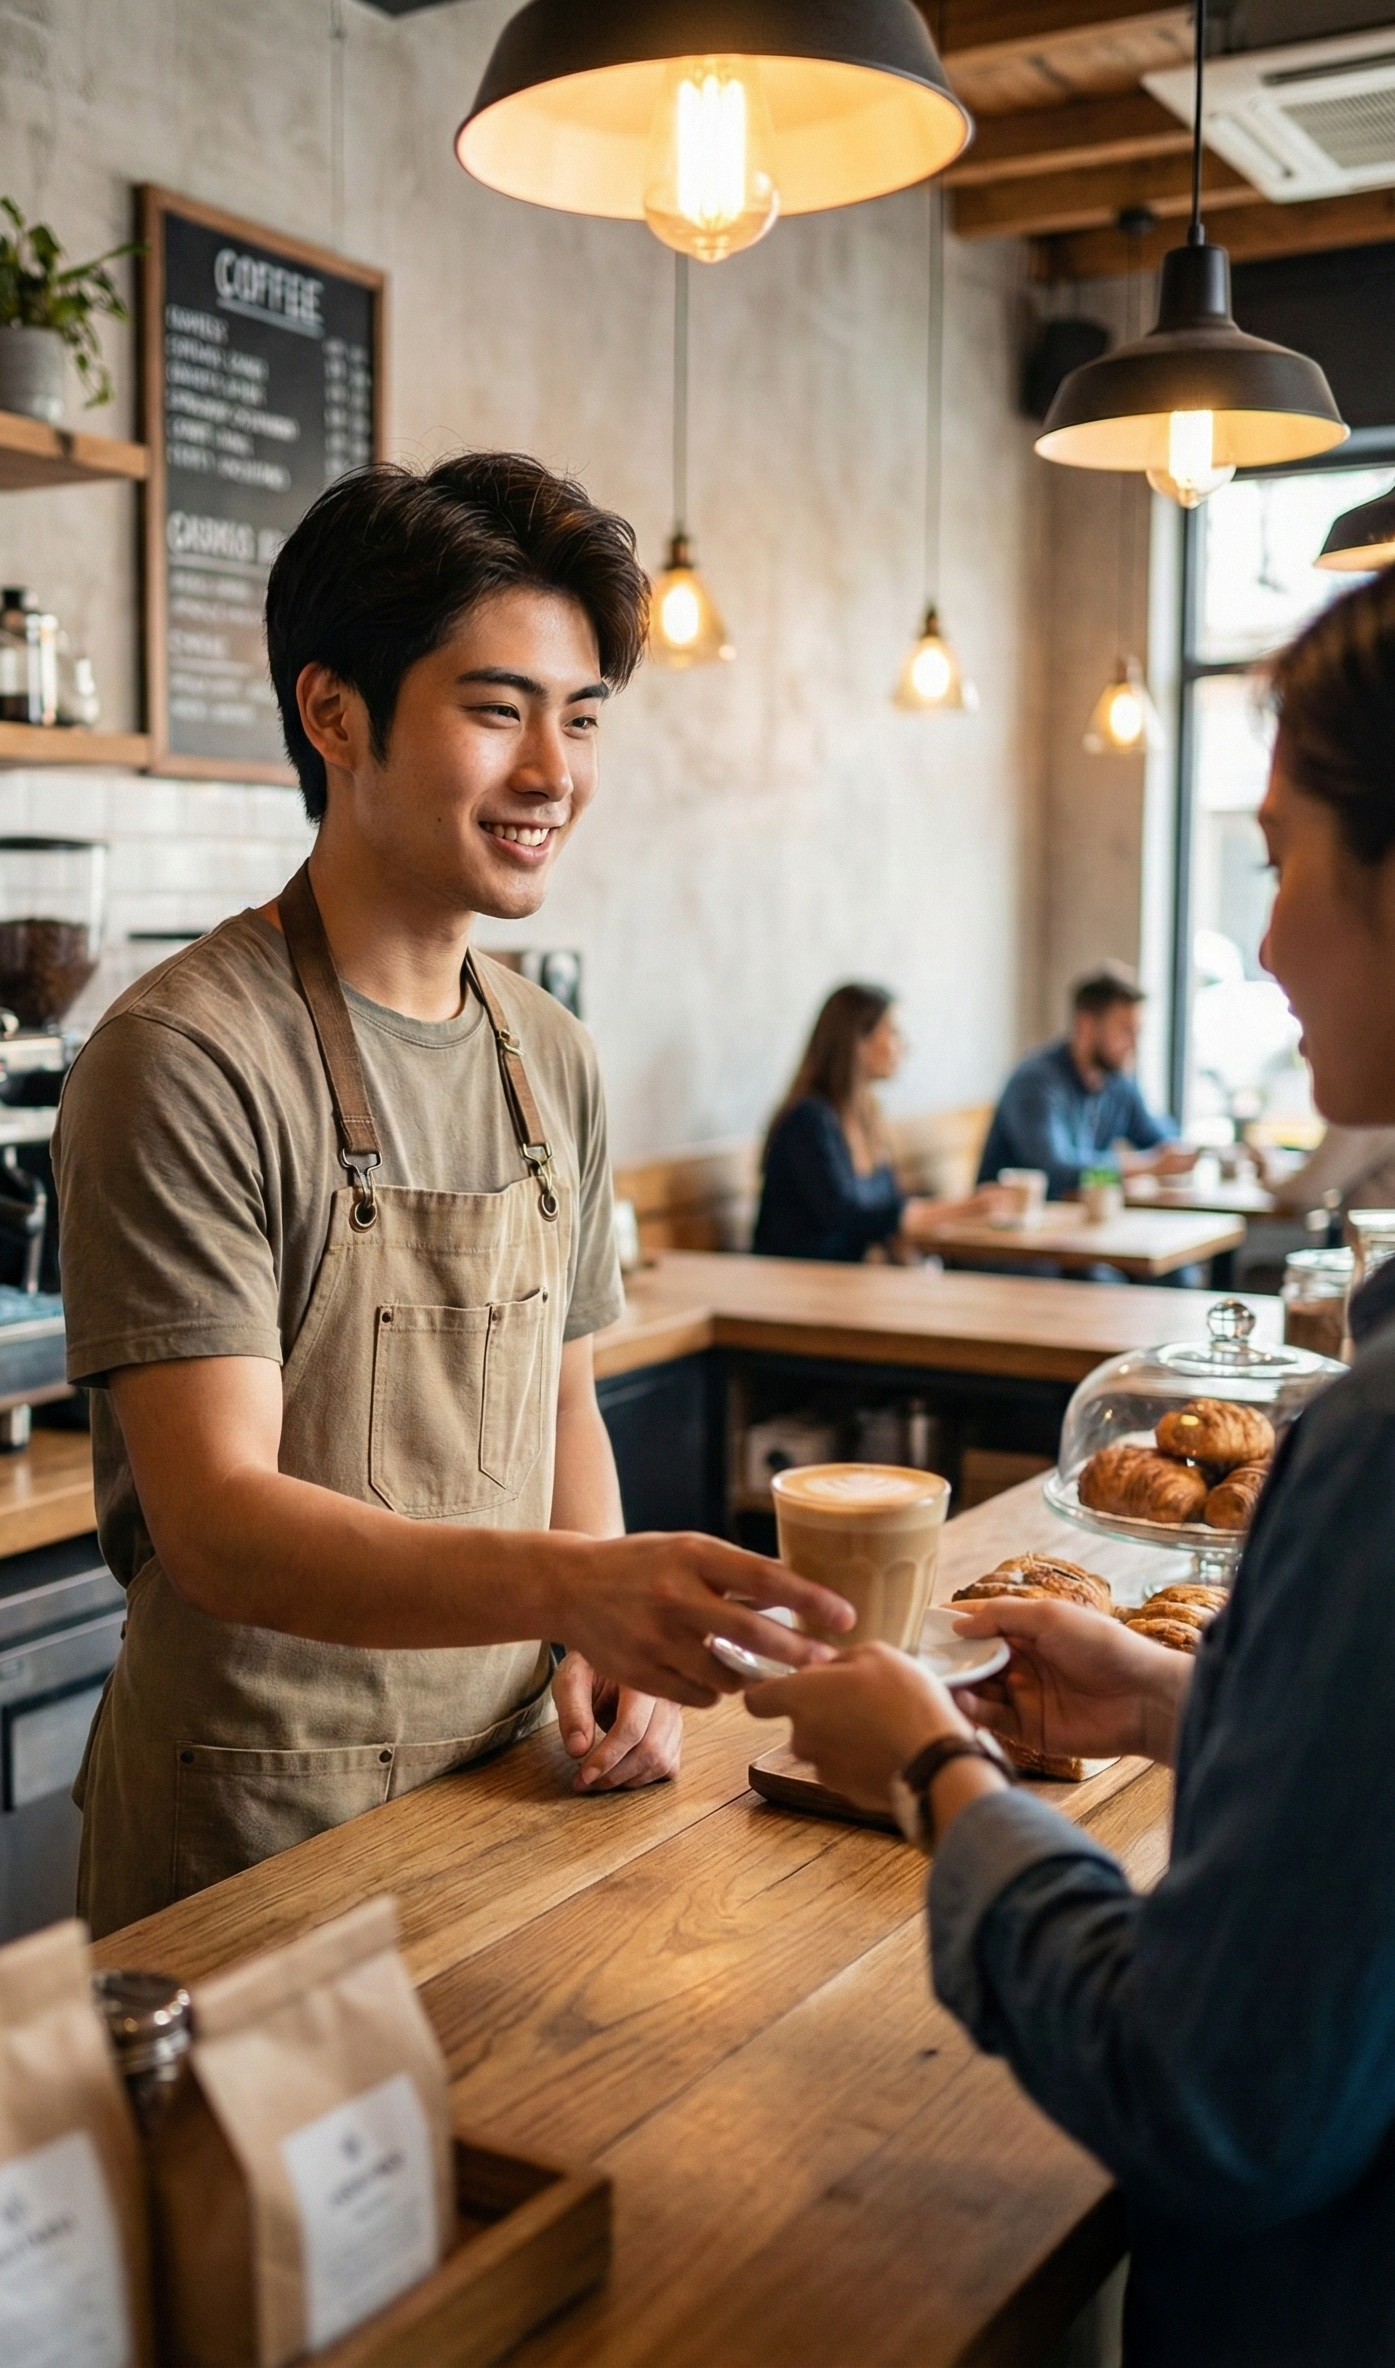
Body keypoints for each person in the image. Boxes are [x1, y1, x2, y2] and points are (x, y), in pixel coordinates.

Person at [52, 454, 849, 1938]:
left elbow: (562, 1401)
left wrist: (593, 1641)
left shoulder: (550, 1053)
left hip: (513, 1791)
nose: (554, 772)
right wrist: (577, 1590)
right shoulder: (183, 1058)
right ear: (333, 712)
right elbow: (220, 1527)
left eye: (583, 717)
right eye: (498, 711)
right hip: (257, 1834)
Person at [745, 562, 1395, 2365]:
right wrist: (1183, 1701)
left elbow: (1214, 2087)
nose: (1259, 944)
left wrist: (943, 1777)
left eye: (1276, 860)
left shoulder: (1372, 1444)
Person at [754, 983, 1015, 1261]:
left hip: (847, 1281)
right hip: (798, 1282)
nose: (904, 1046)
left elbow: (887, 1208)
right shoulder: (808, 1121)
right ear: (857, 1041)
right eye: (892, 1032)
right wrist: (964, 1209)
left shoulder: (866, 1115)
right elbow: (847, 1216)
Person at [977, 965, 1197, 1201]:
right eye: (1124, 1031)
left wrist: (1183, 1152)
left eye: (1137, 1032)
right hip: (1010, 1226)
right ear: (1086, 1025)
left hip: (1076, 1221)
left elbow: (1161, 1138)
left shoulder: (1117, 1081)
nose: (1134, 1045)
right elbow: (1055, 1171)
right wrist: (1145, 1165)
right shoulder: (1035, 1081)